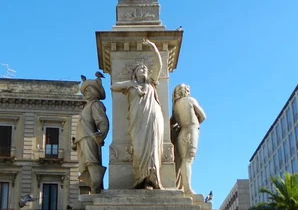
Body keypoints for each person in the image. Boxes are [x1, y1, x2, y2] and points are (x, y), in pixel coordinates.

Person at [111, 39, 164, 189]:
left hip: (153, 118)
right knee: (139, 149)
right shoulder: (131, 86)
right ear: (134, 74)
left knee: (153, 147)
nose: (144, 70)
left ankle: (152, 179)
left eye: (145, 69)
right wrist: (130, 84)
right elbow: (113, 86)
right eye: (140, 69)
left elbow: (159, 65)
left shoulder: (151, 83)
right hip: (137, 120)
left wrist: (153, 47)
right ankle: (141, 178)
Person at [72, 73, 110, 194]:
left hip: (89, 137)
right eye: (85, 91)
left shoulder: (95, 104)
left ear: (95, 91)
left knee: (91, 162)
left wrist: (102, 133)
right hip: (81, 139)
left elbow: (102, 120)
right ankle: (94, 186)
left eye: (89, 90)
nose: (86, 92)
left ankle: (96, 187)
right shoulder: (87, 106)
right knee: (85, 165)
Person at [170, 84, 206, 194]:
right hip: (191, 129)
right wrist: (195, 124)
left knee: (184, 160)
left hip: (181, 133)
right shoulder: (190, 100)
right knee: (188, 160)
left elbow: (171, 123)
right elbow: (203, 116)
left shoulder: (175, 107)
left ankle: (185, 187)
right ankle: (188, 189)